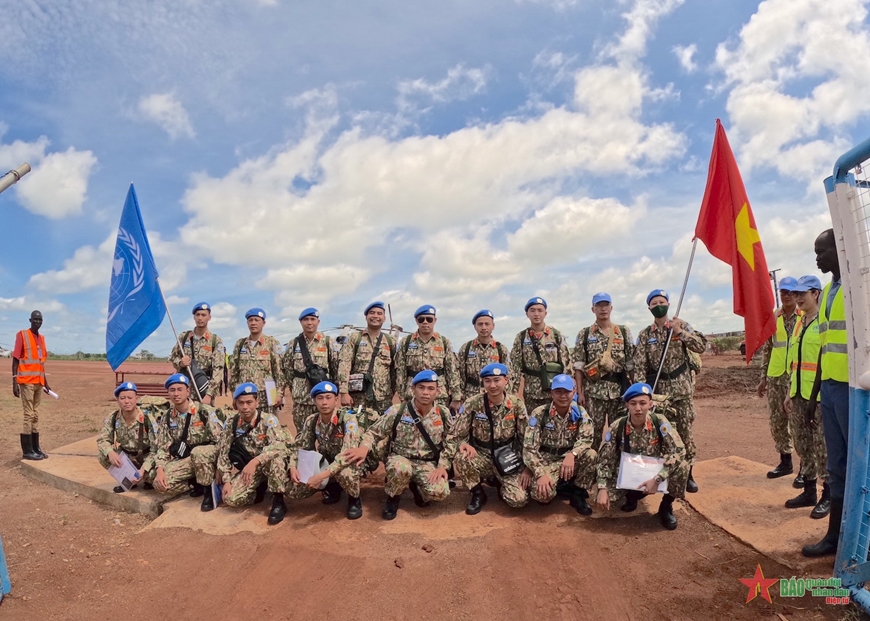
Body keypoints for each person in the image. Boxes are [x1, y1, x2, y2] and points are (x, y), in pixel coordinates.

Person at [344, 370, 452, 520]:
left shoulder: (443, 413)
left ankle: (418, 488)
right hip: (400, 458)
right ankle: (393, 497)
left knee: (440, 492)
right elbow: (373, 432)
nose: (425, 392)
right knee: (401, 469)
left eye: (430, 388)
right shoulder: (398, 410)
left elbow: (451, 441)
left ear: (438, 391)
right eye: (421, 387)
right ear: (413, 389)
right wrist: (364, 448)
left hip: (427, 462)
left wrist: (443, 465)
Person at [802, 230, 849, 558]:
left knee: (862, 466)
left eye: (822, 251)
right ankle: (835, 536)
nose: (817, 257)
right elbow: (823, 350)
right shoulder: (830, 290)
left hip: (856, 390)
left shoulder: (860, 285)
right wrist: (815, 395)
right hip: (831, 391)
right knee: (837, 467)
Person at [632, 289, 707, 493]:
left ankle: (687, 474)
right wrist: (643, 395)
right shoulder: (645, 335)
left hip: (682, 390)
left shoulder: (680, 325)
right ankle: (659, 476)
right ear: (649, 307)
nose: (658, 305)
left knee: (685, 433)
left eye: (662, 301)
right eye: (654, 303)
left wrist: (680, 333)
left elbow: (702, 346)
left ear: (668, 303)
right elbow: (639, 366)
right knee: (662, 435)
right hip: (659, 393)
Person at [270, 381, 372, 524]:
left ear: (336, 400)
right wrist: (293, 466)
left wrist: (321, 476)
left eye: (328, 397)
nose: (324, 402)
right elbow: (300, 447)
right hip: (327, 462)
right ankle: (333, 486)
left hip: (349, 462)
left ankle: (354, 498)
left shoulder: (348, 419)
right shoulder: (311, 420)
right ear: (314, 401)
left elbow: (346, 456)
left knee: (346, 473)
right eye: (320, 398)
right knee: (294, 490)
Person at [595, 382, 689, 530]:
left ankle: (666, 506)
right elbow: (604, 459)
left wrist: (658, 479)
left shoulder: (660, 422)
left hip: (654, 474)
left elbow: (679, 450)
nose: (638, 408)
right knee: (603, 500)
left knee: (683, 467)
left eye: (642, 403)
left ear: (650, 404)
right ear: (627, 405)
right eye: (633, 403)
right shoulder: (617, 426)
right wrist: (602, 488)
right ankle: (631, 497)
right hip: (627, 474)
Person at [442, 363, 532, 514]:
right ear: (483, 383)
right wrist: (463, 444)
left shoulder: (516, 404)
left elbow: (527, 439)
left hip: (507, 456)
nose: (492, 385)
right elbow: (455, 435)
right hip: (481, 455)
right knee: (462, 457)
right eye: (488, 381)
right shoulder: (473, 403)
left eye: (497, 380)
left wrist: (528, 467)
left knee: (519, 500)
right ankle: (478, 493)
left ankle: (500, 482)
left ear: (506, 380)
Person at [783, 275, 829, 518]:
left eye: (804, 293)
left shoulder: (824, 320)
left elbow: (824, 359)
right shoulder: (800, 322)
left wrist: (817, 396)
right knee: (802, 443)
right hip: (799, 393)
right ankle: (809, 490)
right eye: (796, 293)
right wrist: (790, 392)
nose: (798, 298)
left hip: (818, 396)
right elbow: (795, 360)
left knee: (822, 446)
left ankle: (827, 494)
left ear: (816, 294)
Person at [522, 374, 596, 515]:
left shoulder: (580, 412)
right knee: (542, 497)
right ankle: (561, 485)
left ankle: (578, 493)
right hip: (546, 460)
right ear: (551, 393)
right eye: (558, 392)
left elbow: (586, 439)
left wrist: (572, 454)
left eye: (567, 391)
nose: (563, 396)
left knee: (591, 455)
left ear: (574, 391)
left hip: (568, 459)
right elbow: (529, 448)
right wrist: (540, 474)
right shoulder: (539, 414)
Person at [152, 374, 224, 511]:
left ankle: (208, 491)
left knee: (198, 452)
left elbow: (222, 442)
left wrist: (221, 468)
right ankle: (195, 483)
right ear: (168, 393)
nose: (176, 393)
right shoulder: (167, 417)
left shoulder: (204, 411)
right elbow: (163, 447)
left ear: (188, 391)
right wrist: (160, 470)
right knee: (160, 484)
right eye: (172, 390)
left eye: (180, 389)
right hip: (189, 459)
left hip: (208, 457)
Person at [573, 292, 635, 444]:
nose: (603, 309)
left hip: (618, 392)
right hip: (593, 393)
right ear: (593, 309)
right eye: (599, 305)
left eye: (606, 305)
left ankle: (616, 466)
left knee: (619, 433)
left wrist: (634, 390)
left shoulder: (623, 331)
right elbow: (579, 366)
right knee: (592, 434)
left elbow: (630, 364)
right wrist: (580, 393)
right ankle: (592, 466)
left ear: (611, 307)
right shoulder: (585, 334)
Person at [215, 383, 289, 510]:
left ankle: (278, 501)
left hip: (267, 466)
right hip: (249, 470)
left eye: (249, 402)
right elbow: (224, 451)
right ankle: (258, 491)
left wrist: (256, 461)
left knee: (276, 459)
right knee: (230, 499)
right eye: (241, 403)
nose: (245, 407)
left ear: (257, 402)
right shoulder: (232, 423)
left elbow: (279, 445)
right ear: (236, 404)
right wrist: (227, 480)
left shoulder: (268, 420)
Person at [756, 278, 801, 480]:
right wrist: (764, 377)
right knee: (778, 421)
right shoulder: (775, 318)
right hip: (775, 376)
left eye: (790, 292)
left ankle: (806, 470)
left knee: (798, 422)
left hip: (797, 376)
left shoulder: (803, 316)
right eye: (783, 292)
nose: (787, 295)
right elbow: (768, 348)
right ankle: (785, 462)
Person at [510, 297, 572, 414]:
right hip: (531, 392)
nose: (536, 314)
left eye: (540, 310)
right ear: (527, 314)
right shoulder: (522, 337)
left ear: (545, 313)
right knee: (533, 425)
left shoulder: (556, 335)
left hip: (554, 390)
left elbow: (566, 363)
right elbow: (515, 367)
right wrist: (514, 392)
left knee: (554, 423)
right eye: (532, 310)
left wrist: (567, 389)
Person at [395, 306, 462, 412]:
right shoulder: (406, 342)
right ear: (417, 321)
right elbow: (400, 371)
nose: (425, 322)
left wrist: (456, 397)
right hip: (412, 394)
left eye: (429, 319)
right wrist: (402, 397)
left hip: (438, 395)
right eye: (421, 319)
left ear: (435, 320)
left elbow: (452, 371)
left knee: (438, 425)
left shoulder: (444, 342)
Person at [282, 307, 339, 433]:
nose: (309, 322)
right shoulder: (293, 343)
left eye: (313, 319)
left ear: (318, 322)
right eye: (306, 319)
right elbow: (287, 369)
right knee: (303, 434)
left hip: (323, 397)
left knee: (328, 433)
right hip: (301, 399)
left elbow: (335, 367)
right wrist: (296, 387)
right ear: (301, 322)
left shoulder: (328, 342)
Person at [96, 382, 160, 492]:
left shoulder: (147, 418)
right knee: (103, 455)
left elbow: (156, 448)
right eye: (123, 398)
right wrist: (110, 452)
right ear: (117, 400)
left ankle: (146, 479)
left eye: (130, 398)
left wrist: (144, 469)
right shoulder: (113, 417)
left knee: (151, 476)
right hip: (126, 456)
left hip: (146, 456)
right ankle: (127, 480)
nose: (126, 401)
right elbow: (103, 439)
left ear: (136, 399)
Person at [337, 301, 398, 416]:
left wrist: (391, 391)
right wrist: (344, 391)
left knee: (383, 431)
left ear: (384, 318)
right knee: (356, 429)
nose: (375, 316)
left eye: (379, 313)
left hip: (383, 398)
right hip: (359, 398)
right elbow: (344, 364)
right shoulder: (355, 338)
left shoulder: (390, 341)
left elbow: (396, 369)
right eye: (372, 313)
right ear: (366, 317)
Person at [229, 308, 285, 414]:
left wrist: (279, 394)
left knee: (269, 426)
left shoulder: (272, 343)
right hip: (245, 397)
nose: (253, 323)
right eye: (250, 320)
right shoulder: (240, 344)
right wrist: (234, 395)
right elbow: (234, 373)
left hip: (268, 396)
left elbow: (279, 372)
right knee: (247, 428)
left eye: (256, 320)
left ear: (263, 323)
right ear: (247, 323)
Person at [168, 302, 226, 405]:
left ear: (209, 317)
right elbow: (173, 357)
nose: (200, 318)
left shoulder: (215, 341)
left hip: (204, 390)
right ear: (194, 317)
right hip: (185, 390)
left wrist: (209, 395)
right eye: (197, 315)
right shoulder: (184, 337)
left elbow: (218, 370)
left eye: (203, 315)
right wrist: (181, 363)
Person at [12, 310, 50, 460]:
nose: (38, 322)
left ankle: (36, 447)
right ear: (30, 320)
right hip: (26, 382)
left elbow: (41, 364)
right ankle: (27, 450)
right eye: (35, 319)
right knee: (29, 415)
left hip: (38, 382)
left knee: (35, 415)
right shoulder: (22, 335)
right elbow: (15, 359)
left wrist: (46, 383)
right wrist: (14, 381)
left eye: (40, 320)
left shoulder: (41, 338)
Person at [457, 310, 511, 398]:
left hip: (494, 395)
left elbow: (508, 375)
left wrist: (506, 396)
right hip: (470, 394)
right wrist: (459, 396)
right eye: (480, 324)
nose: (484, 327)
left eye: (487, 324)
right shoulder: (466, 348)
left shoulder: (500, 349)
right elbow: (459, 374)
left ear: (493, 326)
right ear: (475, 326)